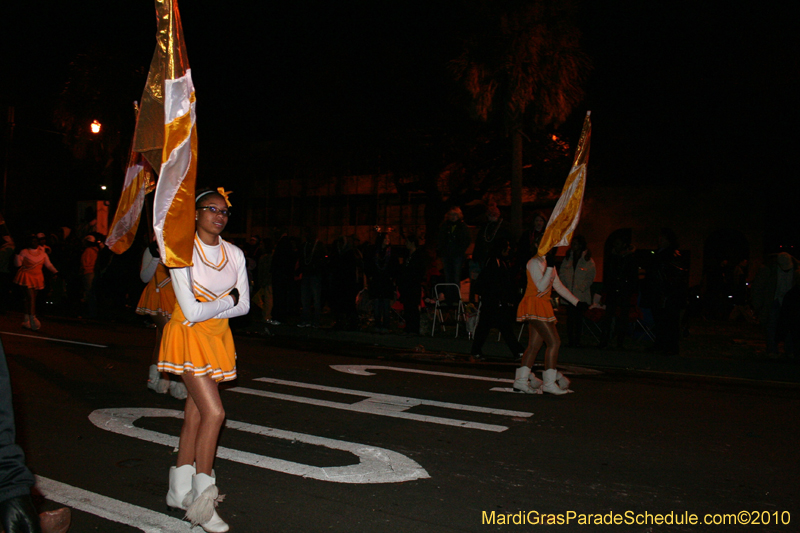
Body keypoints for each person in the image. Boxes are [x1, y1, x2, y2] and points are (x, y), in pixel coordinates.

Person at [158, 188, 249, 533]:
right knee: (215, 412)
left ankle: (176, 490)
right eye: (211, 209)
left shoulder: (235, 254)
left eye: (224, 211)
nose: (219, 215)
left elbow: (245, 306)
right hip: (187, 335)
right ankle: (203, 501)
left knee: (195, 414)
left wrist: (225, 303)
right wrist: (228, 298)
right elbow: (192, 312)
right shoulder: (180, 251)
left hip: (217, 337)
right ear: (194, 214)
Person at [515, 248, 587, 395]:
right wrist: (549, 267)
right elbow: (540, 286)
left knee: (534, 345)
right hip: (534, 304)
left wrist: (577, 302)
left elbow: (558, 286)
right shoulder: (534, 262)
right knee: (554, 342)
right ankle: (548, 383)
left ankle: (521, 382)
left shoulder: (548, 263)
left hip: (542, 306)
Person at [137, 238, 186, 400]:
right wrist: (156, 256)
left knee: (161, 339)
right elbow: (144, 277)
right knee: (171, 337)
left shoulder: (181, 247)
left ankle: (154, 379)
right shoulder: (152, 249)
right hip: (157, 297)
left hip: (175, 299)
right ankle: (172, 379)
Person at [470, 237, 526, 360]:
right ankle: (517, 351)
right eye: (507, 247)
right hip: (494, 301)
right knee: (500, 327)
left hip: (493, 301)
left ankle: (476, 350)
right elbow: (496, 282)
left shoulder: (498, 261)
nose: (509, 249)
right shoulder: (495, 262)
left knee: (488, 327)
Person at [642, 228, 688, 356]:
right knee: (660, 321)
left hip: (667, 295)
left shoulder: (672, 255)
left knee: (669, 322)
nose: (659, 241)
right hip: (659, 293)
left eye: (663, 239)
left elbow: (674, 276)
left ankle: (670, 346)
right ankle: (661, 344)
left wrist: (668, 290)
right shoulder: (661, 254)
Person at [751, 252, 799, 357]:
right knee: (772, 325)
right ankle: (773, 349)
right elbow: (758, 288)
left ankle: (789, 350)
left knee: (790, 325)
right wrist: (758, 305)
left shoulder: (796, 271)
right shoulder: (767, 270)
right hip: (774, 300)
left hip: (789, 302)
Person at [599, 236, 638, 349]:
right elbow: (608, 275)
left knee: (622, 318)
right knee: (608, 317)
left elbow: (633, 277)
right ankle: (604, 341)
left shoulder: (630, 258)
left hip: (624, 291)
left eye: (618, 243)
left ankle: (619, 342)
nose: (616, 246)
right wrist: (605, 290)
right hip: (613, 291)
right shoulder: (612, 257)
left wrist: (630, 291)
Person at [14, 235, 58, 331]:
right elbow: (18, 265)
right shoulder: (24, 252)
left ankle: (26, 320)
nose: (34, 243)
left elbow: (48, 264)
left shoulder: (42, 253)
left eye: (35, 241)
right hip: (26, 276)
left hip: (37, 277)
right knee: (31, 298)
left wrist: (56, 272)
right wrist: (17, 255)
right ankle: (33, 318)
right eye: (32, 241)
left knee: (29, 299)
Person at [558, 235, 596, 348]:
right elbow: (562, 274)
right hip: (568, 294)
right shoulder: (567, 258)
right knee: (570, 318)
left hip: (580, 295)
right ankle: (571, 340)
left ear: (580, 245)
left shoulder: (587, 260)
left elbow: (590, 277)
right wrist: (565, 287)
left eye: (575, 243)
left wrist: (581, 287)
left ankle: (577, 340)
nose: (573, 246)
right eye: (572, 243)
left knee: (578, 319)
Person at [470, 204, 512, 300]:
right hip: (484, 258)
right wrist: (476, 255)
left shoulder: (504, 227)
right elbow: (479, 241)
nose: (492, 217)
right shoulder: (485, 226)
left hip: (498, 259)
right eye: (490, 215)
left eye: (493, 214)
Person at [436, 207, 471, 305]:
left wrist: (459, 250)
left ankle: (455, 298)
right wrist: (442, 250)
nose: (453, 217)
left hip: (457, 255)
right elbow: (440, 239)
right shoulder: (445, 226)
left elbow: (466, 240)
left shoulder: (462, 226)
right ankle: (449, 298)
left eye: (455, 215)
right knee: (448, 276)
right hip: (447, 255)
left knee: (455, 277)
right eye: (451, 215)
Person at [365, 232, 396, 332]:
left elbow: (394, 266)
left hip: (386, 281)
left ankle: (386, 325)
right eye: (386, 238)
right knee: (377, 303)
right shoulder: (374, 251)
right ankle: (378, 323)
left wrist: (392, 277)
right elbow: (368, 265)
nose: (388, 240)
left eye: (388, 238)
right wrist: (370, 276)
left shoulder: (391, 252)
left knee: (386, 304)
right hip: (377, 281)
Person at [397, 234, 427, 336]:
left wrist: (414, 278)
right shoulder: (407, 256)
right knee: (407, 307)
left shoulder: (418, 256)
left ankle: (414, 329)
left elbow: (420, 270)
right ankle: (408, 327)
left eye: (407, 242)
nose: (405, 244)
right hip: (406, 285)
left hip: (413, 285)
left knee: (413, 307)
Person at [297, 227, 325, 328]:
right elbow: (301, 259)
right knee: (305, 299)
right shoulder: (305, 246)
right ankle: (306, 320)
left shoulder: (318, 245)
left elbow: (322, 261)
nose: (307, 236)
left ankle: (315, 321)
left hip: (315, 276)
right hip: (307, 275)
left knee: (315, 299)